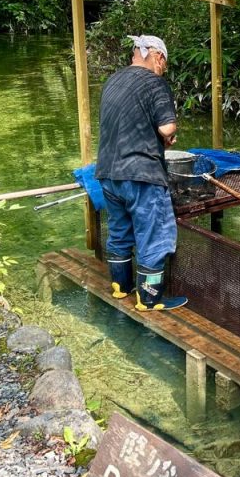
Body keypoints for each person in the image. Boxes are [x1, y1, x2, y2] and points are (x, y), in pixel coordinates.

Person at [94, 34, 187, 311]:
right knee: (155, 236)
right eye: (165, 64)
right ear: (157, 56)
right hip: (141, 175)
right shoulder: (154, 82)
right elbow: (167, 128)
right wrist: (169, 136)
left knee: (120, 231)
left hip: (109, 173)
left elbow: (126, 123)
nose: (163, 69)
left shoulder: (113, 81)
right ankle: (149, 299)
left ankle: (121, 287)